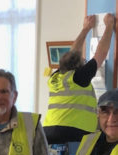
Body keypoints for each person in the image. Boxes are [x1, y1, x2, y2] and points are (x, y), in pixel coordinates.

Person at [44, 13, 116, 144]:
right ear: (79, 66)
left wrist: (86, 29)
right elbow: (101, 53)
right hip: (74, 132)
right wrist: (109, 25)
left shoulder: (57, 76)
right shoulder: (79, 77)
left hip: (48, 131)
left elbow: (73, 54)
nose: (84, 60)